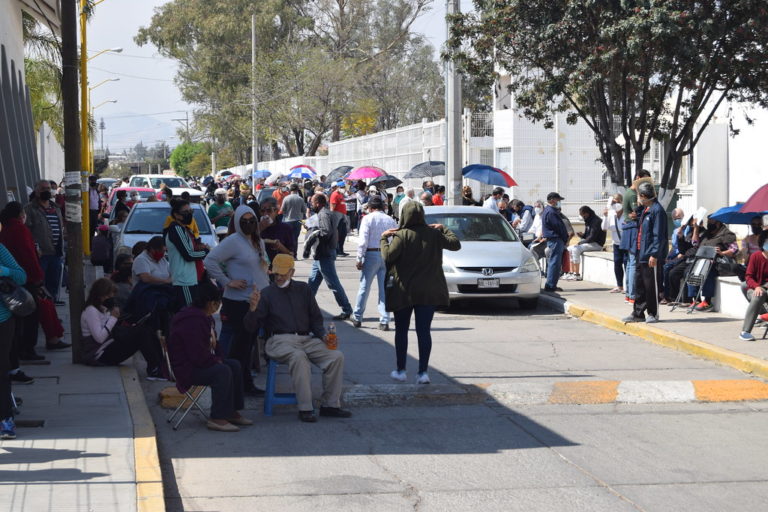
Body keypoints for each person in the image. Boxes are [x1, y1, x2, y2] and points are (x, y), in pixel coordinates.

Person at [244, 254, 351, 423]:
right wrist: (252, 308)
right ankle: (305, 408)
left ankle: (330, 405)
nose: (279, 277)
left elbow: (316, 319)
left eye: (283, 274)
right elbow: (250, 327)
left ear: (292, 272)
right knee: (298, 357)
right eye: (276, 274)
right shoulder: (266, 294)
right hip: (279, 340)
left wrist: (323, 336)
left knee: (336, 356)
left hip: (306, 339)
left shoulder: (304, 290)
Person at [381, 201, 460, 383]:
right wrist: (444, 228)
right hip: (428, 291)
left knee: (401, 331)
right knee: (424, 331)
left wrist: (384, 238)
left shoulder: (401, 236)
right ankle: (423, 372)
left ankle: (401, 370)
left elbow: (387, 257)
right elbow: (455, 244)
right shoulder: (434, 234)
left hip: (404, 291)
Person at [167, 279, 252, 431]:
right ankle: (217, 417)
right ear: (209, 302)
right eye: (217, 302)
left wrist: (220, 358)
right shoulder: (191, 320)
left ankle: (231, 411)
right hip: (187, 368)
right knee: (222, 371)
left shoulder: (205, 317)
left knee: (234, 365)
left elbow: (214, 345)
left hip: (199, 362)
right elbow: (196, 354)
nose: (218, 306)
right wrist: (217, 361)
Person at [204, 205, 270, 395]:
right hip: (238, 302)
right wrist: (227, 281)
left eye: (252, 221)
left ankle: (245, 384)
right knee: (237, 347)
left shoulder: (257, 241)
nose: (248, 224)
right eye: (244, 221)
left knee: (248, 346)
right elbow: (210, 261)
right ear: (237, 223)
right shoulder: (233, 241)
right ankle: (231, 385)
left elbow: (260, 267)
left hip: (256, 301)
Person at [80, 278, 163, 378]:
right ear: (99, 295)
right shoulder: (91, 311)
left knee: (145, 329)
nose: (110, 298)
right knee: (141, 333)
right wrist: (113, 318)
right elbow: (99, 338)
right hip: (98, 354)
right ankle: (154, 369)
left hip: (108, 346)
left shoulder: (103, 309)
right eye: (108, 296)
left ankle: (160, 365)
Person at [622, 182, 668, 324]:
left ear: (643, 196)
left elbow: (658, 235)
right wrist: (639, 207)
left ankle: (653, 313)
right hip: (640, 252)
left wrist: (654, 254)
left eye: (639, 196)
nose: (638, 199)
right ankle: (638, 313)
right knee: (640, 285)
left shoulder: (657, 210)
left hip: (650, 254)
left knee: (651, 286)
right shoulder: (646, 209)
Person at [352, 197, 397, 330]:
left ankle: (357, 316)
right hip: (387, 254)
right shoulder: (390, 219)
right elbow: (396, 237)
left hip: (371, 254)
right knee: (384, 289)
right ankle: (384, 320)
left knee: (364, 287)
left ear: (371, 207)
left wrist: (359, 258)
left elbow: (363, 240)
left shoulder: (367, 218)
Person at [307, 194, 354, 320]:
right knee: (312, 283)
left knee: (333, 284)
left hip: (324, 254)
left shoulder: (323, 214)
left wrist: (314, 234)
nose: (311, 205)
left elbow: (326, 231)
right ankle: (305, 309)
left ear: (318, 203)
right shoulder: (326, 213)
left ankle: (347, 309)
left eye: (312, 202)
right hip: (321, 254)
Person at [0, 220, 26, 440]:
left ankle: (6, 419)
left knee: (1, 370)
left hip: (2, 320)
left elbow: (21, 276)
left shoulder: (0, 250)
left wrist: (3, 270)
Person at [24, 180, 65, 304]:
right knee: (40, 287)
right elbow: (26, 232)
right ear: (36, 192)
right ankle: (41, 315)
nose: (46, 191)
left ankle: (51, 313)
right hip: (41, 255)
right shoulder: (29, 209)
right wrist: (35, 247)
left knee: (53, 285)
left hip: (56, 254)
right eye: (43, 189)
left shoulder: (56, 208)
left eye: (48, 188)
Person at [164, 199, 208, 312]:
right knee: (188, 313)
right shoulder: (176, 229)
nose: (189, 214)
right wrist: (206, 252)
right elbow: (188, 254)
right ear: (177, 215)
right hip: (184, 281)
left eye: (190, 211)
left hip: (190, 279)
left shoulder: (184, 229)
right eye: (185, 212)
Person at [687, 217, 738, 311]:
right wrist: (696, 229)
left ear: (718, 223)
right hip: (703, 261)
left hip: (719, 263)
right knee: (691, 270)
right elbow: (694, 243)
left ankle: (707, 301)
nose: (709, 223)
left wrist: (722, 252)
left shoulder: (726, 233)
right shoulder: (707, 234)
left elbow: (734, 249)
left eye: (711, 221)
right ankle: (696, 300)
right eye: (708, 221)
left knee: (708, 271)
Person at [621, 170, 653, 303]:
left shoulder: (628, 192)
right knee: (633, 263)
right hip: (633, 229)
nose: (645, 183)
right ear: (638, 178)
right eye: (644, 180)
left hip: (628, 229)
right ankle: (632, 295)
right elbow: (636, 213)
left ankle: (629, 294)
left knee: (630, 263)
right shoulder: (633, 194)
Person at [739, 230, 768, 341]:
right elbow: (749, 276)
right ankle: (745, 331)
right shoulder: (755, 256)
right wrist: (756, 286)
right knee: (758, 295)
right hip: (755, 288)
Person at [564, 206, 606, 281]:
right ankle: (571, 272)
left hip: (597, 244)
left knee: (576, 249)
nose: (582, 217)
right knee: (569, 248)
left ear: (587, 213)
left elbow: (592, 237)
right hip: (591, 243)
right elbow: (587, 236)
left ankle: (576, 274)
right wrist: (582, 235)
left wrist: (581, 242)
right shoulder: (588, 220)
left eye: (583, 215)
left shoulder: (596, 221)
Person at [541, 192, 569, 292]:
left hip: (554, 240)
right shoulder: (551, 212)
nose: (559, 202)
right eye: (558, 200)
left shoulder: (548, 210)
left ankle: (550, 284)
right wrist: (565, 238)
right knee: (555, 263)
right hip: (556, 240)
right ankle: (551, 285)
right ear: (552, 200)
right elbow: (559, 227)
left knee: (553, 262)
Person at [602, 194, 626, 293]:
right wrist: (605, 216)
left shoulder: (626, 214)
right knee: (617, 264)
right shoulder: (611, 214)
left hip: (626, 244)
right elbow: (604, 228)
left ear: (621, 202)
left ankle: (628, 287)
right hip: (616, 244)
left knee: (627, 264)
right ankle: (619, 286)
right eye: (613, 202)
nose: (615, 204)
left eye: (617, 202)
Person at [258, 197, 295, 262]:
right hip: (260, 268)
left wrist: (281, 247)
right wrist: (259, 229)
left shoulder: (286, 228)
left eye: (269, 210)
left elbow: (291, 254)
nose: (265, 214)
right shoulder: (254, 227)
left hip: (279, 268)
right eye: (262, 211)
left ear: (276, 211)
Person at [281, 183, 306, 255]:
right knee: (295, 238)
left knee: (287, 238)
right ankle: (294, 254)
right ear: (297, 190)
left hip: (287, 220)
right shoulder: (300, 199)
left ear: (290, 190)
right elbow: (304, 210)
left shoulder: (286, 198)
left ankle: (288, 253)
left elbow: (282, 209)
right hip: (297, 220)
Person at [329, 181, 349, 256]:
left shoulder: (341, 194)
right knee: (338, 234)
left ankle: (341, 250)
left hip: (343, 216)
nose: (343, 188)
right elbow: (332, 207)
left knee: (343, 233)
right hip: (336, 216)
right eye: (341, 187)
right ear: (337, 187)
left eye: (344, 187)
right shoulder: (335, 195)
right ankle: (337, 251)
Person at [88, 175, 101, 246]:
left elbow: (98, 201)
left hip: (95, 212)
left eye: (95, 181)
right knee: (89, 229)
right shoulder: (87, 190)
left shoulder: (96, 191)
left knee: (93, 228)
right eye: (92, 180)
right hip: (89, 212)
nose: (94, 182)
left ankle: (91, 245)